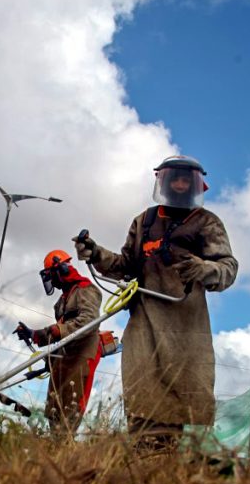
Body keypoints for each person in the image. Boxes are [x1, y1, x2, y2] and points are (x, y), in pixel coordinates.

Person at [73, 155, 238, 450]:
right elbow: (124, 264)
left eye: (185, 179)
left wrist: (204, 268)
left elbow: (228, 269)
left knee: (181, 399)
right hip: (144, 325)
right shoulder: (145, 221)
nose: (178, 183)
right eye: (173, 178)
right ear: (161, 181)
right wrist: (95, 253)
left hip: (185, 331)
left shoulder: (206, 223)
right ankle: (142, 462)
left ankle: (170, 465)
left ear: (196, 184)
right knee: (142, 393)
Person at [15, 250, 102, 438]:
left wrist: (57, 331)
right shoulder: (61, 302)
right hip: (63, 360)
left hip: (81, 358)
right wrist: (32, 334)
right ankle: (57, 446)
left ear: (60, 269)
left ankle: (65, 450)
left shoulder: (86, 290)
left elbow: (89, 321)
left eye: (51, 277)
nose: (52, 282)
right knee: (54, 408)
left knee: (71, 407)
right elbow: (60, 333)